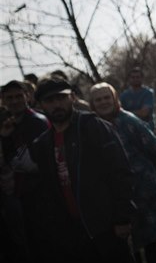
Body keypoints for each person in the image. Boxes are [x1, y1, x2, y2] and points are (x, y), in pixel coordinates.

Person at [26, 77, 135, 263]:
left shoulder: (94, 126)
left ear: (73, 98)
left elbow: (120, 172)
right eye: (49, 101)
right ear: (41, 105)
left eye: (61, 98)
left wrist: (122, 217)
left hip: (106, 225)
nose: (56, 105)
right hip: (73, 233)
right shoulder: (42, 144)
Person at [89, 82, 156, 263]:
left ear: (115, 98)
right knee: (129, 246)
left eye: (106, 97)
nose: (103, 102)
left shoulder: (129, 120)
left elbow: (155, 148)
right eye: (98, 99)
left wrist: (146, 172)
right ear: (92, 104)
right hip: (117, 199)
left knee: (151, 241)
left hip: (144, 191)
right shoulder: (93, 128)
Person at [0, 80, 49, 263]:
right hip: (21, 196)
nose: (14, 101)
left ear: (27, 96)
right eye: (9, 98)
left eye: (18, 96)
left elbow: (36, 162)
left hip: (41, 194)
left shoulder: (37, 122)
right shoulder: (9, 125)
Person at [120, 67, 156, 131]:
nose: (135, 79)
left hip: (147, 129)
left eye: (137, 77)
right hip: (130, 130)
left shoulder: (148, 93)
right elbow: (119, 113)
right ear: (129, 79)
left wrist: (126, 113)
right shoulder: (124, 95)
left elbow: (144, 113)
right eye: (133, 77)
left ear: (142, 78)